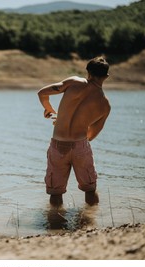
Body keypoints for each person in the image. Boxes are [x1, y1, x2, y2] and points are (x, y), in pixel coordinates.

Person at [37, 56, 111, 207]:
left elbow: (42, 93)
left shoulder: (74, 82)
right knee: (90, 190)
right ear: (106, 76)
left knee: (55, 192)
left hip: (58, 147)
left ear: (88, 72)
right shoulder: (104, 104)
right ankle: (91, 222)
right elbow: (91, 136)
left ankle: (56, 224)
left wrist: (50, 110)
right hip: (80, 147)